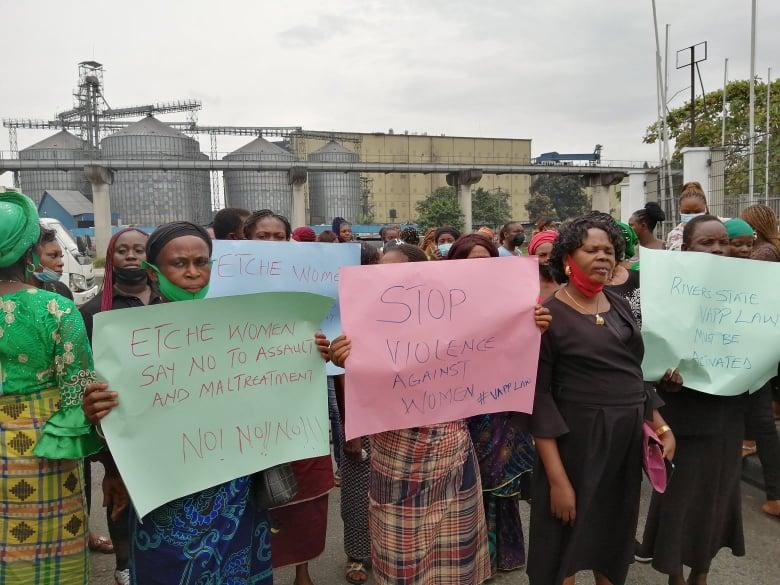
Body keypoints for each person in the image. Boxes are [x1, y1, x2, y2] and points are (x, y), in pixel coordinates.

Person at [82, 221, 332, 584]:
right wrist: (95, 412)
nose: (193, 273)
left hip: (238, 490)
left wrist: (307, 357)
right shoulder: (126, 338)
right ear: (153, 272)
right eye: (179, 263)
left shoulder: (242, 327)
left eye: (201, 262)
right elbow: (113, 425)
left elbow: (273, 391)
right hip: (166, 495)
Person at [330, 242, 552, 585]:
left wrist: (530, 324)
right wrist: (340, 358)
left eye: (392, 271)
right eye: (378, 271)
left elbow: (498, 345)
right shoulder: (364, 323)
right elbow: (359, 386)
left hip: (450, 452)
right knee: (399, 554)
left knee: (453, 555)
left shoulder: (453, 315)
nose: (381, 279)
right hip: (394, 457)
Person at [527, 214, 673, 585]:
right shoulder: (545, 317)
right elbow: (539, 399)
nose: (603, 257)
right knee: (562, 548)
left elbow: (633, 375)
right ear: (566, 259)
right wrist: (558, 480)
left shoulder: (619, 306)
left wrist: (660, 424)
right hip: (573, 447)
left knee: (611, 543)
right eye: (591, 249)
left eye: (609, 250)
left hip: (622, 449)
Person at [0, 191, 102, 585]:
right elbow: (78, 387)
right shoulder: (55, 308)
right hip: (45, 446)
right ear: (29, 250)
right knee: (49, 549)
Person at [637, 215, 746, 585]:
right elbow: (649, 360)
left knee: (717, 503)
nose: (717, 249)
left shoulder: (748, 292)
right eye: (706, 243)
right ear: (685, 250)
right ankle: (676, 576)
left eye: (722, 242)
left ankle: (702, 573)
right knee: (681, 503)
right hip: (684, 419)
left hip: (727, 418)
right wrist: (664, 379)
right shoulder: (667, 293)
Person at [448, 235, 537, 573]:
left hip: (497, 407)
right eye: (469, 259)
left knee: (497, 478)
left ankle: (498, 555)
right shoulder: (437, 304)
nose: (478, 266)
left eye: (486, 259)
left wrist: (537, 326)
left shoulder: (511, 302)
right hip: (453, 408)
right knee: (462, 482)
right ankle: (468, 559)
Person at [79, 228, 154, 585]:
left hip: (165, 423)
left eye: (139, 249)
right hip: (118, 431)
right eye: (122, 250)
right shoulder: (92, 312)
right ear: (111, 258)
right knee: (120, 498)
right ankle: (124, 565)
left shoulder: (170, 305)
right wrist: (107, 461)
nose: (130, 255)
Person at [726, 215, 780, 518]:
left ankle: (775, 495)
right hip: (730, 365)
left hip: (753, 364)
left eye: (749, 244)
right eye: (738, 244)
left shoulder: (763, 272)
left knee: (762, 426)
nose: (745, 250)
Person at [607, 221, 642, 325]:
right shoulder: (581, 285)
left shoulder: (641, 279)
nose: (601, 255)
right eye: (592, 250)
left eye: (608, 250)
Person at [31, 227, 73, 298]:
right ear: (30, 258)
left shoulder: (63, 291)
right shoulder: (12, 296)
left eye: (61, 256)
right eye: (53, 256)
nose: (61, 263)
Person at [666, 181, 708, 251]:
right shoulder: (675, 235)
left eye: (697, 212)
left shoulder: (715, 227)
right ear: (679, 210)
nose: (692, 215)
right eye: (687, 212)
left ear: (705, 208)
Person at [528, 230, 560, 301]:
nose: (548, 259)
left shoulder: (571, 284)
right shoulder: (526, 286)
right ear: (533, 257)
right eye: (542, 255)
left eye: (553, 254)